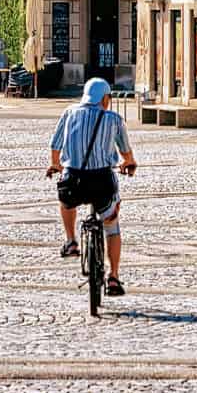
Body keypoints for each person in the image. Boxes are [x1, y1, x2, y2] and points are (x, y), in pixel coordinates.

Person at [46, 77, 138, 298]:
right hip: (102, 182)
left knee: (66, 200)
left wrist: (55, 164)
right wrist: (129, 163)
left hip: (73, 179)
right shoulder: (113, 119)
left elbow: (55, 145)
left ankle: (70, 242)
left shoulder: (69, 113)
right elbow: (125, 151)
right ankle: (113, 277)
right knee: (111, 225)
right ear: (104, 98)